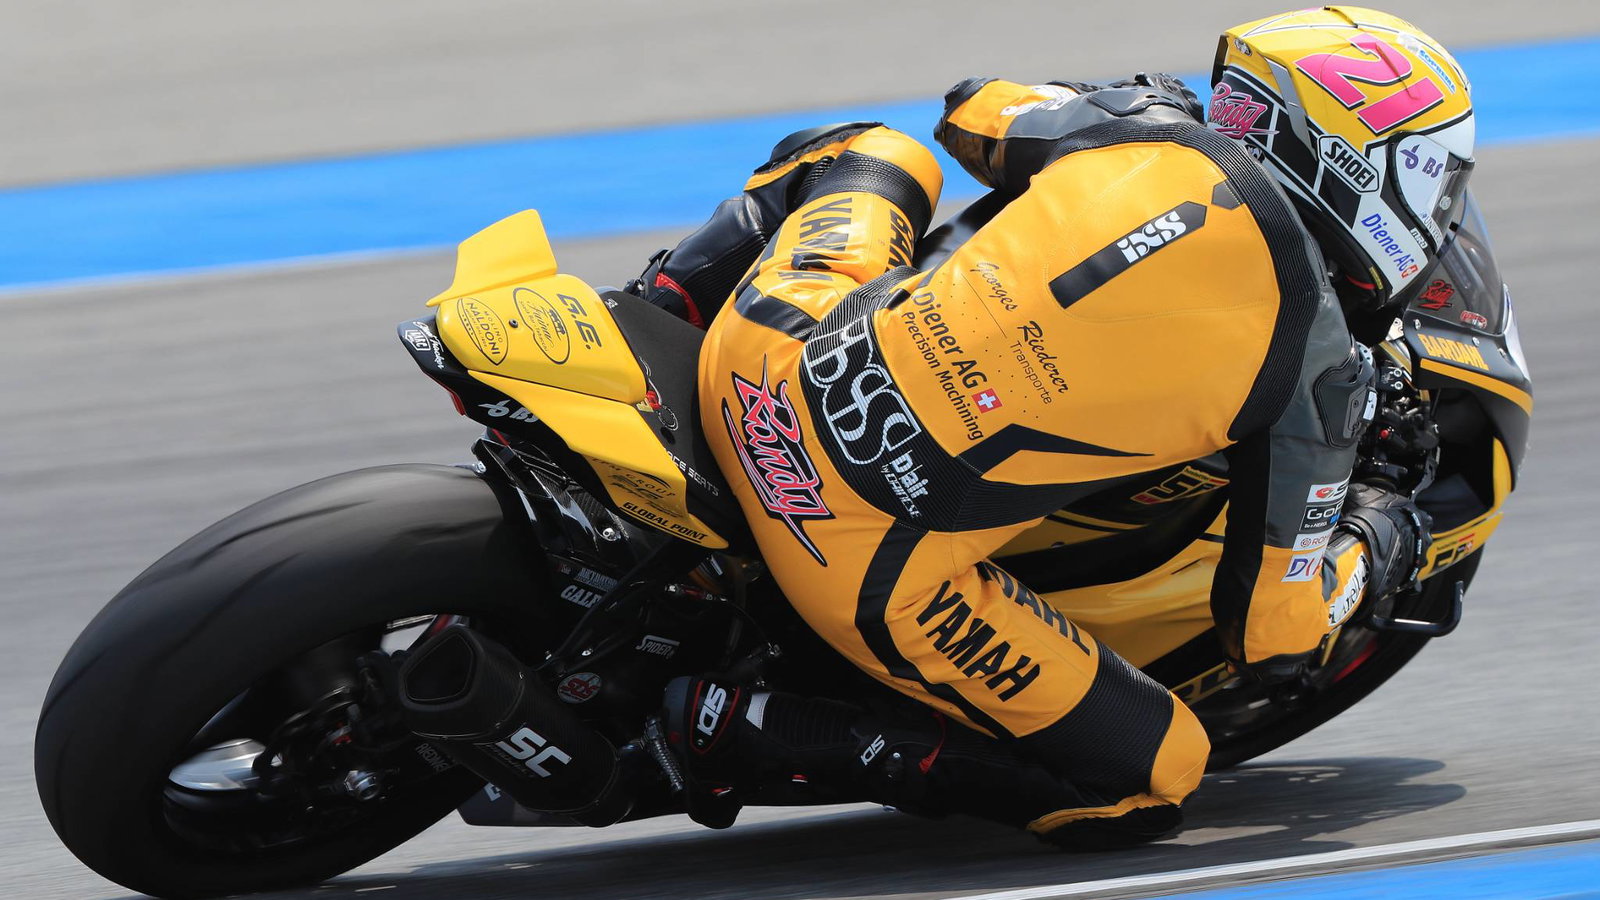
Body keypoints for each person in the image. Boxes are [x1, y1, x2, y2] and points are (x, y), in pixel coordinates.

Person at [631, 6, 1467, 847]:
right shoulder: (1319, 372)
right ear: (1362, 168)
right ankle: (752, 728)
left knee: (871, 151)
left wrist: (1112, 101)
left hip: (766, 350)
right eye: (1436, 180)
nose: (1441, 207)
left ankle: (652, 314)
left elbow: (970, 111)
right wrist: (1375, 537)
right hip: (849, 549)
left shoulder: (1139, 127)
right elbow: (1271, 637)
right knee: (1158, 774)